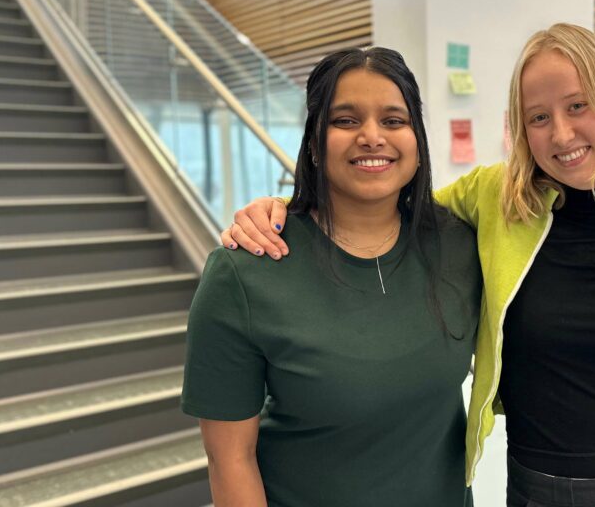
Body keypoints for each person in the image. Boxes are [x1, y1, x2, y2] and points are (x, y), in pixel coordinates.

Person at [224, 24, 595, 507]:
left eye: (578, 106)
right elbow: (387, 206)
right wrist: (282, 212)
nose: (562, 135)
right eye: (538, 118)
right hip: (534, 493)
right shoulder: (495, 202)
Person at [182, 47, 481, 507]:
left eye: (393, 120)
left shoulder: (459, 245)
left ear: (417, 141)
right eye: (345, 120)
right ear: (314, 144)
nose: (371, 136)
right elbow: (229, 459)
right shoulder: (247, 269)